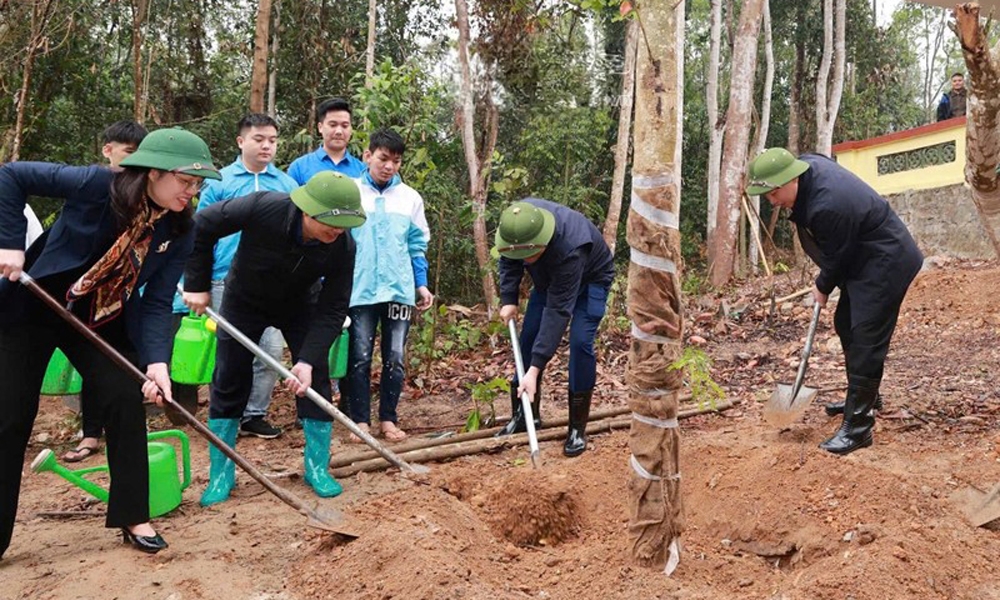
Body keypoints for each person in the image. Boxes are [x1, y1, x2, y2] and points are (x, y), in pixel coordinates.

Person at [0, 127, 221, 557]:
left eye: (198, 185)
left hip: (99, 316)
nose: (191, 192)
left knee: (124, 396)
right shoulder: (97, 185)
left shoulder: (179, 229)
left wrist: (157, 363)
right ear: (154, 173)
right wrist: (9, 243)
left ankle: (133, 515)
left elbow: (157, 301)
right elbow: (10, 175)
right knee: (9, 418)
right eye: (185, 181)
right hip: (34, 305)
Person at [183, 171, 362, 505]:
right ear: (308, 210)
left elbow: (334, 307)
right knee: (229, 378)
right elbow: (204, 224)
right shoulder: (264, 206)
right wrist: (197, 283)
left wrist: (306, 361)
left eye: (344, 225)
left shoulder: (343, 245)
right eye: (331, 223)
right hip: (244, 301)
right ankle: (222, 473)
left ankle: (317, 468)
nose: (337, 231)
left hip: (300, 304)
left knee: (316, 380)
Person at [746, 148, 923, 455]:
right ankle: (864, 398)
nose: (772, 202)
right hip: (863, 257)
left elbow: (837, 256)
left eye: (773, 193)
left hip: (886, 259)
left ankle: (857, 428)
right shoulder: (807, 167)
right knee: (846, 323)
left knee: (866, 336)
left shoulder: (827, 205)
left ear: (791, 179)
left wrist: (822, 286)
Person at [171, 113, 298, 439]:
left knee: (269, 352)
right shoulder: (219, 181)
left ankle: (254, 415)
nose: (267, 145)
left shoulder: (286, 185)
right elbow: (200, 231)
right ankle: (225, 417)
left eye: (272, 140)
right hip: (223, 279)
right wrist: (197, 283)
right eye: (259, 139)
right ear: (241, 142)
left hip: (271, 283)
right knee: (229, 354)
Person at [494, 199, 615, 457]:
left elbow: (559, 311)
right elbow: (508, 259)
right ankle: (526, 414)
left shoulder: (571, 247)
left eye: (529, 256)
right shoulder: (517, 224)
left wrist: (535, 370)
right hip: (549, 279)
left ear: (543, 241)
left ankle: (576, 428)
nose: (524, 261)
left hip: (591, 279)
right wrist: (508, 299)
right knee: (527, 339)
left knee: (580, 342)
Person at [63, 120, 149, 463]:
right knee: (91, 367)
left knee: (118, 364)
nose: (135, 161)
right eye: (129, 153)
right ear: (107, 150)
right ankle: (90, 434)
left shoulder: (146, 196)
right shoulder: (90, 183)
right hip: (76, 294)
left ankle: (122, 436)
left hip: (121, 296)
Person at [343, 129, 433, 443]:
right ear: (367, 156)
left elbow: (416, 246)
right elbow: (337, 244)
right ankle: (360, 421)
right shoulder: (350, 193)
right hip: (360, 290)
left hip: (398, 290)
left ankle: (388, 419)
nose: (389, 166)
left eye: (395, 161)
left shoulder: (410, 198)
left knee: (395, 356)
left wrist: (421, 285)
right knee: (360, 355)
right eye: (383, 158)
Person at [287, 97, 366, 185]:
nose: (339, 131)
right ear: (320, 127)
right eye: (333, 125)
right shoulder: (299, 167)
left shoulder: (363, 170)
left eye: (344, 126)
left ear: (351, 129)